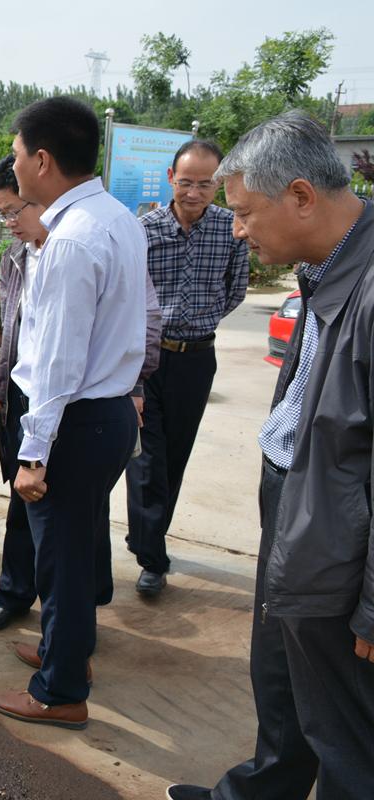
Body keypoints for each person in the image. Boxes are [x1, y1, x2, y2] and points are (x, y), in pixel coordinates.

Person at [166, 112, 374, 800]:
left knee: (346, 727)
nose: (237, 229)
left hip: (337, 523)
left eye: (246, 212)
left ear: (302, 196)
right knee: (282, 673)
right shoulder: (327, 264)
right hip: (295, 492)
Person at [0, 97, 146, 729]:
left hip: (76, 421)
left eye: (19, 152)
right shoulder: (116, 218)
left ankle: (59, 692)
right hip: (105, 414)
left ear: (42, 160)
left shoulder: (71, 241)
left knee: (63, 559)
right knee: (75, 549)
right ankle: (64, 653)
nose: (15, 163)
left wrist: (32, 454)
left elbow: (57, 361)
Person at [126, 140, 249, 598]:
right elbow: (129, 294)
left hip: (198, 359)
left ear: (218, 184)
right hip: (148, 359)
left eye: (204, 183)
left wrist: (204, 316)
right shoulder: (145, 229)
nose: (194, 192)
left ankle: (148, 540)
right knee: (145, 457)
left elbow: (236, 288)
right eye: (185, 182)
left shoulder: (229, 228)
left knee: (174, 457)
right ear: (169, 178)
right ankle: (151, 556)